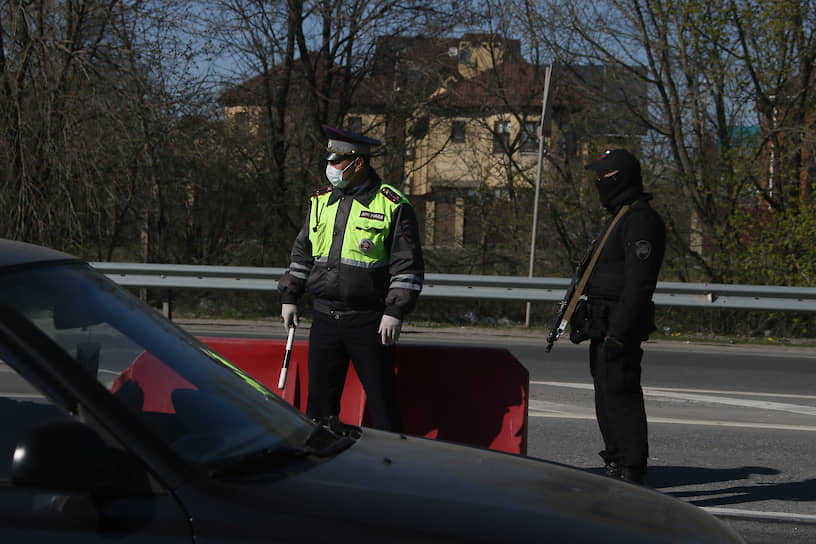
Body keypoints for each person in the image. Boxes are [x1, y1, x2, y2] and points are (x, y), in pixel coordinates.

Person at [277, 124, 424, 433]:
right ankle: (324, 465)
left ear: (358, 163)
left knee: (382, 404)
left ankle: (390, 468)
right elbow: (302, 253)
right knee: (318, 409)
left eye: (336, 162)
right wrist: (290, 295)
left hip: (368, 321)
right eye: (328, 161)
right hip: (325, 317)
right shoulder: (320, 201)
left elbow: (407, 266)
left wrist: (395, 310)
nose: (329, 168)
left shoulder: (392, 204)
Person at [571, 148, 665, 484]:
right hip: (603, 320)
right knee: (606, 394)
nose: (599, 183)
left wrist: (619, 334)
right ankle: (614, 459)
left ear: (621, 178)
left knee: (621, 396)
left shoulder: (640, 219)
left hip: (619, 323)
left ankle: (631, 467)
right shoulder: (619, 216)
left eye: (604, 176)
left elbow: (639, 285)